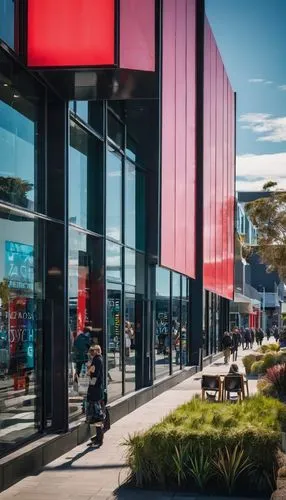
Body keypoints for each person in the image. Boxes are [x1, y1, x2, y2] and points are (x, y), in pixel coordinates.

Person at [86, 345, 105, 446]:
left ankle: (99, 438)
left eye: (92, 351)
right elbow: (91, 372)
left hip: (95, 392)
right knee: (96, 415)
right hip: (96, 391)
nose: (90, 353)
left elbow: (94, 375)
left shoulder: (97, 360)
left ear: (97, 351)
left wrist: (90, 385)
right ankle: (98, 437)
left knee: (97, 415)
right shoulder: (98, 360)